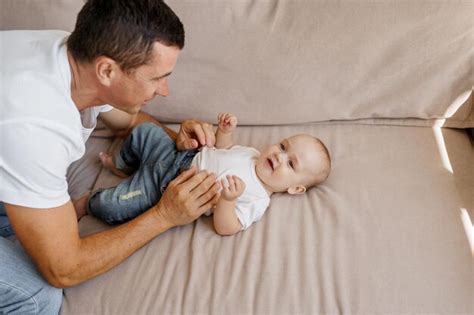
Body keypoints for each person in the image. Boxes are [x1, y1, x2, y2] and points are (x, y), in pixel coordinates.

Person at [0, 0, 221, 313]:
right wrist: (164, 215)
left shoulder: (75, 58)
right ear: (107, 70)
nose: (165, 90)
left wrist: (177, 141)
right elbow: (63, 268)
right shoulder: (34, 126)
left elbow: (129, 121)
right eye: (157, 77)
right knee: (39, 295)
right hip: (18, 135)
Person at [78, 113, 331, 235]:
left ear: (296, 188)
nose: (279, 156)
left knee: (115, 206)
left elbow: (226, 227)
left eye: (291, 164)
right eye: (283, 146)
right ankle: (123, 166)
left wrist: (227, 202)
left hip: (166, 189)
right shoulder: (252, 154)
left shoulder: (257, 199)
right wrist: (225, 132)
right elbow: (223, 150)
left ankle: (90, 203)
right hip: (177, 154)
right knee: (144, 131)